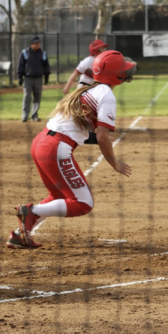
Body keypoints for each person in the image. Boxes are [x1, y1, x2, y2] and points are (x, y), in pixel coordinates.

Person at [8, 50, 136, 249]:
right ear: (115, 75)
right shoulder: (107, 95)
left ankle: (19, 235)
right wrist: (114, 163)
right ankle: (30, 211)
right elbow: (103, 137)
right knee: (84, 203)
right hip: (55, 148)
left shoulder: (87, 89)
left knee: (58, 197)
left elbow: (76, 127)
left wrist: (96, 138)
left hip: (41, 142)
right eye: (122, 69)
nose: (126, 72)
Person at [17, 35, 50, 122]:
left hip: (39, 78)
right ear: (31, 44)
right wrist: (20, 77)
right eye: (36, 43)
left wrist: (46, 77)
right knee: (27, 96)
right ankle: (24, 115)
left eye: (38, 43)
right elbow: (21, 66)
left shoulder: (43, 53)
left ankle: (34, 115)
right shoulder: (25, 52)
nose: (37, 45)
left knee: (37, 97)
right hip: (28, 79)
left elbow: (46, 66)